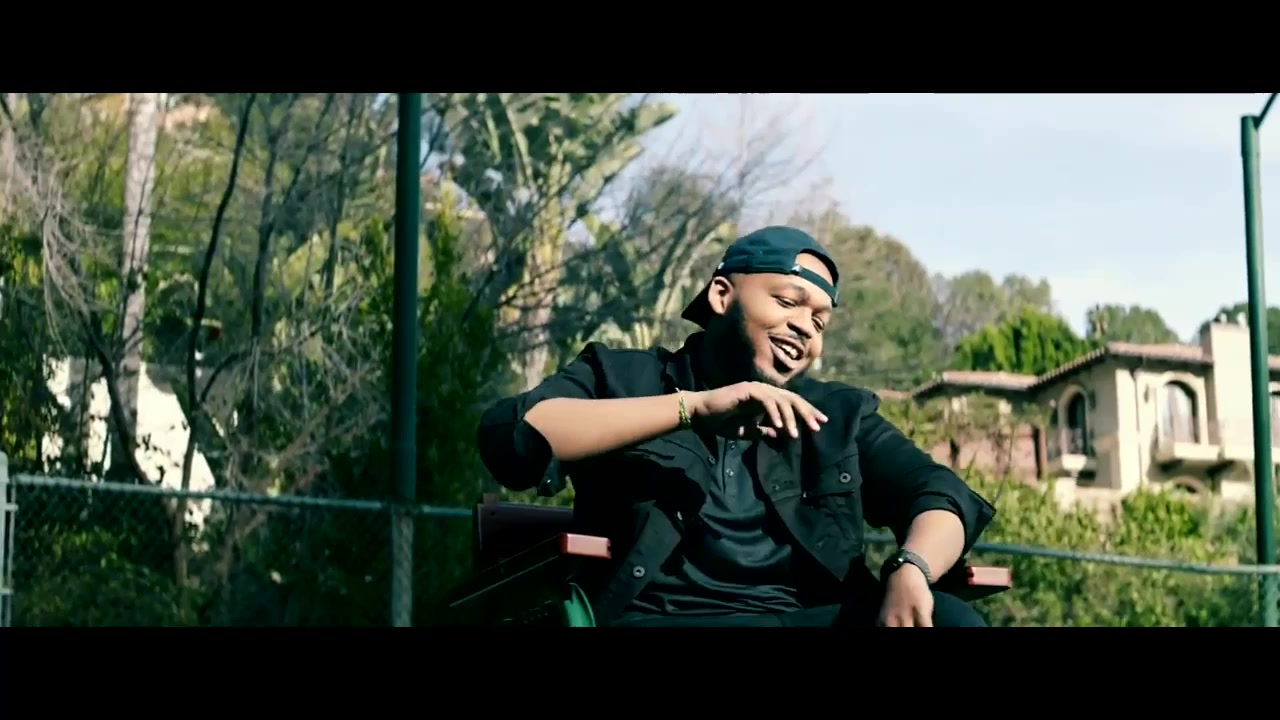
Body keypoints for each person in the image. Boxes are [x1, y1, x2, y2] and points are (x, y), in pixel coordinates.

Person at [476, 225, 996, 627]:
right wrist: (694, 407)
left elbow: (941, 496)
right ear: (722, 295)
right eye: (787, 301)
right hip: (659, 619)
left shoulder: (836, 415)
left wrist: (912, 568)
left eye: (819, 321)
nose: (804, 327)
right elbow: (515, 436)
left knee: (951, 619)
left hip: (805, 617)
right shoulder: (622, 376)